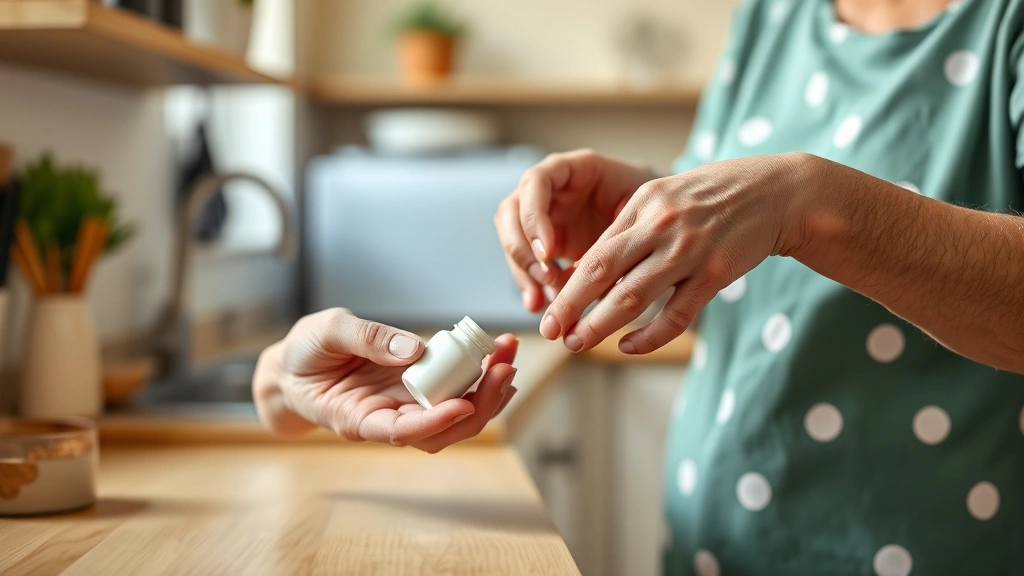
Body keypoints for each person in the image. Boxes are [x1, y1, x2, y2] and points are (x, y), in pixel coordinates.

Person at [492, 0, 1024, 574]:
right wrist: (645, 212)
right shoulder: (773, 14)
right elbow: (743, 228)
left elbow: (784, 203)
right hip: (711, 546)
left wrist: (806, 201)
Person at [253, 307, 519, 453]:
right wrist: (290, 382)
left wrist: (291, 386)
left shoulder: (469, 364)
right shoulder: (449, 343)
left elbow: (281, 411)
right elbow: (278, 411)